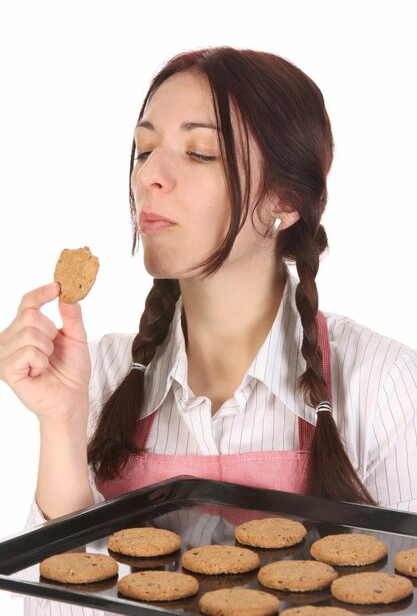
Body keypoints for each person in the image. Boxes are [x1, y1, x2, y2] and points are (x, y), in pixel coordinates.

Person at [0, 46, 416, 616]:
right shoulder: (100, 375)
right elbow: (56, 604)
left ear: (284, 202)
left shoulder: (382, 384)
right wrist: (61, 425)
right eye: (144, 150)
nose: (148, 177)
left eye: (199, 153)